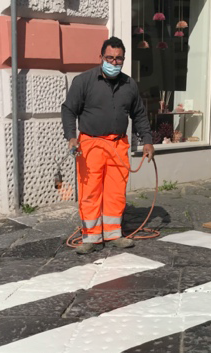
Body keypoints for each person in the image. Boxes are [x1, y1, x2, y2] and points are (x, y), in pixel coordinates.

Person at [61, 37, 155, 255]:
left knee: (116, 191)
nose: (114, 62)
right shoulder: (83, 81)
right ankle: (91, 237)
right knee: (90, 191)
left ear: (124, 59)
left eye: (118, 59)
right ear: (101, 57)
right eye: (109, 58)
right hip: (91, 145)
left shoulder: (129, 85)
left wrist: (148, 141)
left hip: (118, 145)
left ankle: (113, 234)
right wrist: (71, 137)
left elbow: (139, 114)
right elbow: (69, 110)